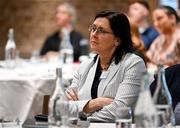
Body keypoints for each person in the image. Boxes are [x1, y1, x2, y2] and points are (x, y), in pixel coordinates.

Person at [66, 10, 147, 122]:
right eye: (93, 29)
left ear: (117, 40)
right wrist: (96, 103)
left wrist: (83, 119)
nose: (94, 34)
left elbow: (120, 111)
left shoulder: (133, 64)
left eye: (101, 31)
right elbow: (63, 107)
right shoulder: (85, 65)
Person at [146, 6, 180, 70]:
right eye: (154, 20)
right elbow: (148, 58)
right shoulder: (158, 39)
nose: (155, 24)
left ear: (172, 18)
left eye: (159, 19)